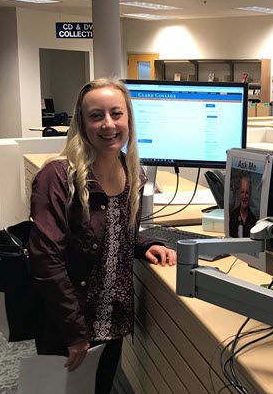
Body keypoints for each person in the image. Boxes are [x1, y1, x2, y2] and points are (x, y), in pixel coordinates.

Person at [27, 78, 176, 394]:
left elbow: (112, 231)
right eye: (96, 116)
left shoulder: (133, 172)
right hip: (71, 321)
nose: (108, 124)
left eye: (116, 114)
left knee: (102, 388)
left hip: (113, 318)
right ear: (82, 123)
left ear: (128, 120)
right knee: (62, 390)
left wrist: (145, 244)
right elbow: (46, 260)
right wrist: (74, 332)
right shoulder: (57, 177)